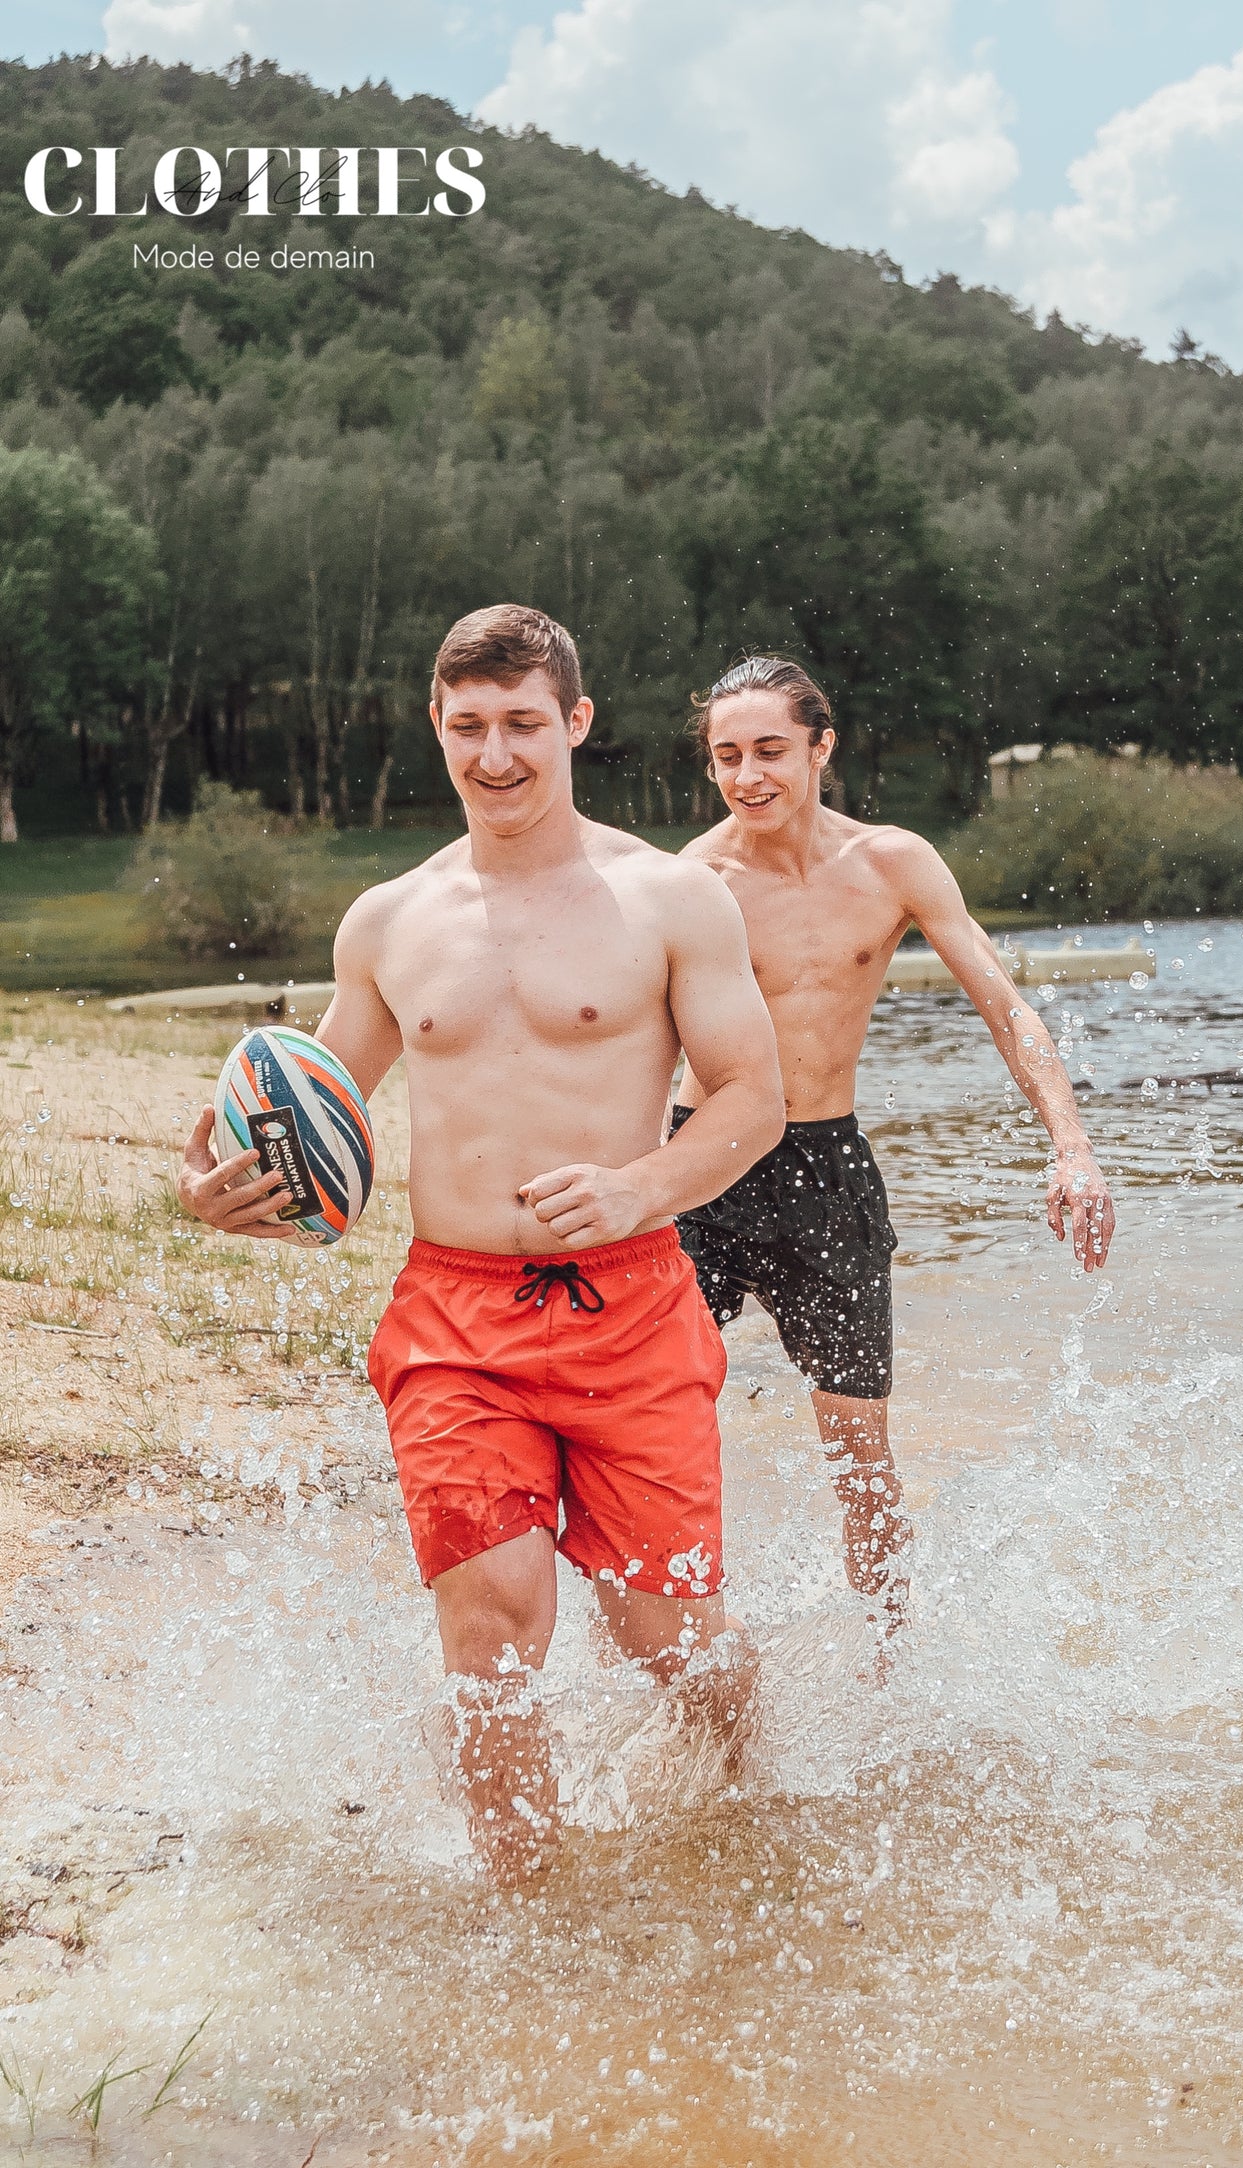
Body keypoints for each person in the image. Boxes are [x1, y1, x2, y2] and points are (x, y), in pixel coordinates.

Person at [178, 605, 786, 1884]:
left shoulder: (669, 895)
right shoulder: (389, 922)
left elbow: (750, 1099)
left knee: (663, 1631)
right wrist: (219, 1187)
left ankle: (755, 1802)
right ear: (436, 729)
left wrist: (639, 1189)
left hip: (630, 1301)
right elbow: (306, 1108)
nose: (494, 753)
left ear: (574, 723)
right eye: (467, 727)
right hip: (454, 1318)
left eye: (522, 723)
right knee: (491, 1619)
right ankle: (528, 1909)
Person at [674, 655, 1116, 1643]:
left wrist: (1069, 1145)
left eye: (770, 751)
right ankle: (694, 1657)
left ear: (821, 747)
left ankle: (888, 1670)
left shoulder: (892, 863)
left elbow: (1003, 1008)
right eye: (727, 756)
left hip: (824, 1170)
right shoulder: (688, 883)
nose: (748, 776)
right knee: (665, 1430)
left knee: (859, 1452)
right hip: (698, 1167)